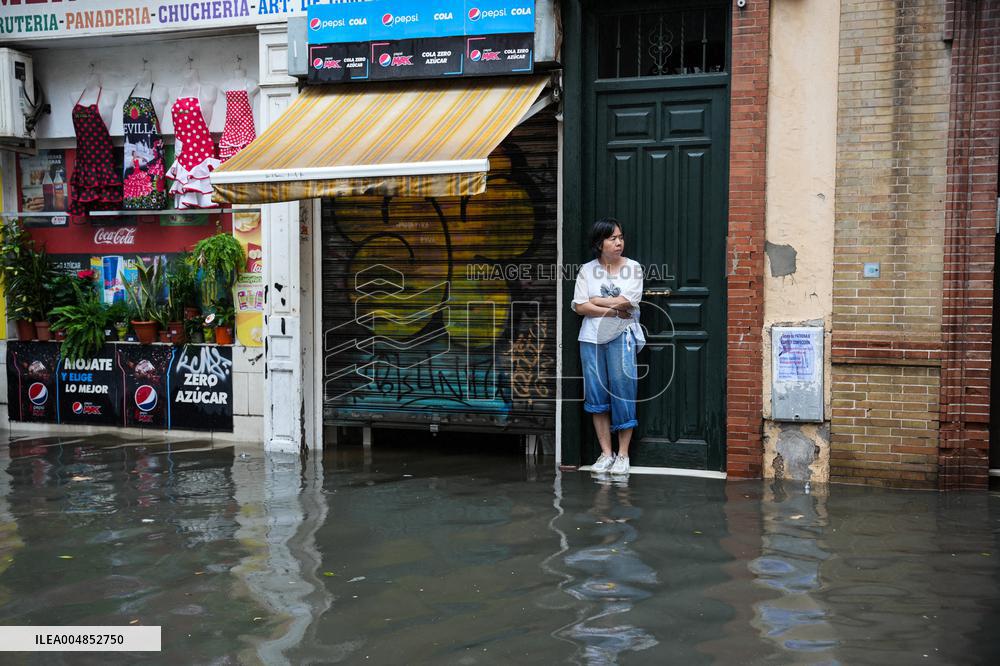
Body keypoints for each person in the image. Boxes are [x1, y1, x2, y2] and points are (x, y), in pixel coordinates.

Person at [571, 218, 645, 475]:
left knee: (624, 391)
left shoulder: (633, 268)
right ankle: (606, 453)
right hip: (590, 340)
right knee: (595, 395)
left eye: (620, 237)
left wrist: (597, 301)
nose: (619, 242)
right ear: (598, 243)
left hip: (621, 337)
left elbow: (629, 301)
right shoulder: (587, 270)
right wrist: (613, 309)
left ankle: (623, 454)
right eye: (612, 238)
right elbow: (580, 306)